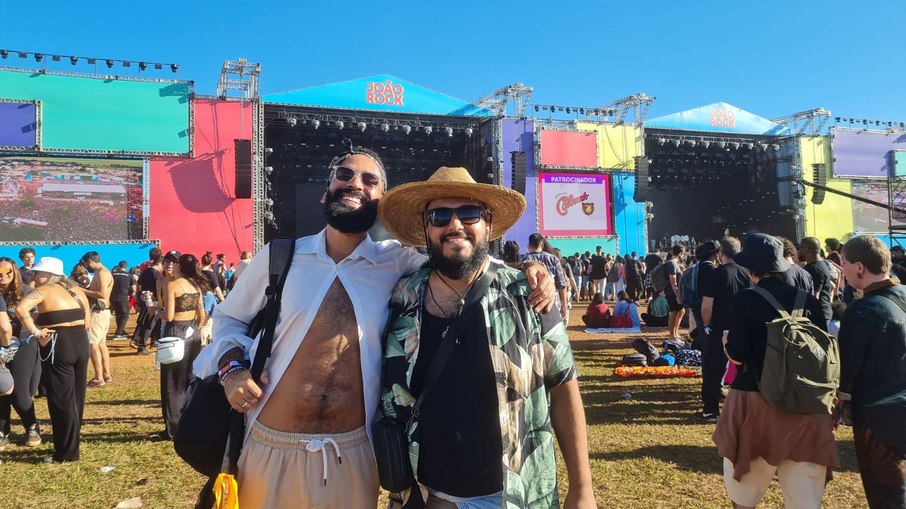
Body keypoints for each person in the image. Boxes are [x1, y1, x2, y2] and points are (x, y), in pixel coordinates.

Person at [193, 144, 554, 508]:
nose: (355, 184)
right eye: (344, 175)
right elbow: (227, 318)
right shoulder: (280, 256)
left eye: (370, 180)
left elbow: (460, 255)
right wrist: (231, 369)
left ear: (381, 200)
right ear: (326, 191)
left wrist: (527, 269)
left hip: (353, 456)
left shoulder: (397, 263)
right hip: (268, 447)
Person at [377, 165, 595, 508]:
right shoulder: (402, 296)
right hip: (425, 496)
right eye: (439, 216)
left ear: (488, 224)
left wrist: (582, 490)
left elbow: (564, 386)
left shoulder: (529, 294)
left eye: (468, 213)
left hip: (513, 495)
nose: (454, 225)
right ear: (425, 228)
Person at [713, 233, 838, 509]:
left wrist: (725, 343)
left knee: (744, 494)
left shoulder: (746, 299)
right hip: (806, 405)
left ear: (751, 269)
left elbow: (737, 354)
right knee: (805, 500)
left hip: (755, 404)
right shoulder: (809, 301)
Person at [837, 235, 906, 507]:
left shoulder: (863, 309)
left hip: (879, 419)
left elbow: (847, 369)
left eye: (844, 263)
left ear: (860, 268)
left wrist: (838, 402)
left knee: (887, 493)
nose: (842, 270)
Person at [15, 257, 91, 463]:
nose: (33, 276)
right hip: (81, 341)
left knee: (61, 398)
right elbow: (88, 320)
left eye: (37, 273)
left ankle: (65, 452)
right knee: (76, 396)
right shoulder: (76, 290)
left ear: (48, 274)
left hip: (59, 342)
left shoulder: (45, 291)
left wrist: (36, 332)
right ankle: (71, 445)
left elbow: (21, 309)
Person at [697, 237, 750, 422]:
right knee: (747, 371)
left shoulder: (715, 274)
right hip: (743, 329)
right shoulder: (748, 274)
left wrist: (706, 324)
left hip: (719, 329)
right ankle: (746, 411)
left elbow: (706, 307)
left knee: (712, 372)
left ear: (721, 254)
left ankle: (711, 410)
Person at [158, 253, 208, 441]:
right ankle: (189, 420)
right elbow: (201, 315)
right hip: (192, 333)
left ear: (179, 266)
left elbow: (169, 316)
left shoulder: (172, 285)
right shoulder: (195, 286)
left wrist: (156, 311)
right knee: (189, 378)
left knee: (171, 382)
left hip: (175, 332)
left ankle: (172, 427)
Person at [0, 257, 42, 448]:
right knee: (1, 390)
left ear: (14, 272)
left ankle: (32, 426)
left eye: (6, 272)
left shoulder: (26, 292)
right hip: (2, 344)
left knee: (19, 391)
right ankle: (3, 431)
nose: (2, 276)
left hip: (25, 343)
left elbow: (36, 317)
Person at [80, 252, 113, 388]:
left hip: (99, 312)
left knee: (92, 343)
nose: (85, 267)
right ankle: (106, 374)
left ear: (89, 261)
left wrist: (81, 290)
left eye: (85, 264)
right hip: (103, 312)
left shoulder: (102, 272)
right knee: (100, 343)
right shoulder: (104, 272)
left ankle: (99, 377)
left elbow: (102, 294)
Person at [522, 233, 568, 321]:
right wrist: (564, 307)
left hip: (531, 305)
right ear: (542, 245)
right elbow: (561, 285)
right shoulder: (554, 259)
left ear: (529, 245)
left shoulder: (523, 261)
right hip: (552, 305)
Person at [798, 237, 836, 327]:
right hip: (823, 313)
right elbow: (832, 285)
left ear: (807, 250)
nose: (797, 251)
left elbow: (814, 297)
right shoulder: (820, 265)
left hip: (818, 316)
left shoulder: (814, 269)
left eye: (799, 248)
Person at [133, 254, 163, 355]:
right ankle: (142, 347)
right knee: (150, 324)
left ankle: (152, 342)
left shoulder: (144, 272)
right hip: (153, 301)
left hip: (144, 300)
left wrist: (138, 300)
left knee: (147, 322)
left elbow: (139, 286)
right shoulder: (157, 274)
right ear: (160, 263)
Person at [664, 245, 686, 341]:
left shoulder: (675, 264)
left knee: (681, 311)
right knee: (673, 313)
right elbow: (673, 281)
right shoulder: (672, 264)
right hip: (672, 292)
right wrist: (677, 295)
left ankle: (675, 333)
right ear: (680, 253)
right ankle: (672, 335)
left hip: (674, 292)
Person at [110, 261, 132, 340]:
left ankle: (120, 330)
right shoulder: (129, 275)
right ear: (126, 267)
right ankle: (119, 333)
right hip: (123, 297)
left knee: (118, 315)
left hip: (112, 298)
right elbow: (134, 289)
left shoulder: (112, 274)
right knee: (125, 315)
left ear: (119, 266)